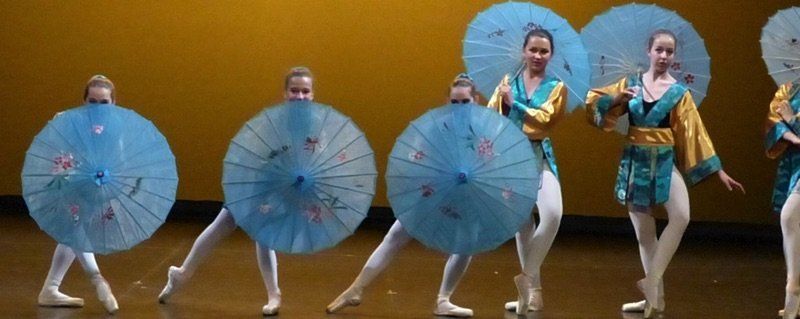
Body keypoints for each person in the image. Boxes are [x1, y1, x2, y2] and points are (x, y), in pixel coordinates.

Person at [585, 29, 744, 318]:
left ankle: (652, 281)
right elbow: (594, 107)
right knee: (645, 235)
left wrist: (717, 170)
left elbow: (694, 134)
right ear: (649, 50)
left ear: (674, 56)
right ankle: (654, 301)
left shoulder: (678, 93)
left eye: (669, 52)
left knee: (681, 215)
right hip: (635, 162)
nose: (664, 56)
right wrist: (615, 98)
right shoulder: (630, 83)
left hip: (664, 161)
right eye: (659, 49)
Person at [157, 67, 315, 316]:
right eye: (294, 90)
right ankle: (182, 274)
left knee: (261, 234)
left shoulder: (317, 125)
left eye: (305, 91)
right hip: (257, 181)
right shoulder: (273, 121)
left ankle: (273, 294)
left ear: (312, 94)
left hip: (285, 185)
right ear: (285, 93)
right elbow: (259, 156)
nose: (300, 96)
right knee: (225, 223)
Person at [325, 74, 480, 318]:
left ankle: (443, 299)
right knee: (396, 235)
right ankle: (356, 288)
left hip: (465, 196)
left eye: (465, 102)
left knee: (467, 244)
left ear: (476, 101)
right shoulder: (437, 127)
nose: (459, 107)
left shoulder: (483, 131)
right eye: (455, 102)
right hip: (434, 191)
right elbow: (420, 158)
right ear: (447, 101)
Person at [487, 29, 565, 315]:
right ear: (524, 51)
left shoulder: (557, 86)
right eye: (533, 49)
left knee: (553, 213)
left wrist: (514, 104)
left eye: (544, 51)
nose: (537, 55)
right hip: (511, 159)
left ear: (550, 55)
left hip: (539, 155)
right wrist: (503, 102)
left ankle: (527, 276)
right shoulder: (508, 82)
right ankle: (532, 296)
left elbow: (545, 120)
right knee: (523, 227)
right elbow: (492, 118)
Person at [37, 75, 120, 314]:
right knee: (74, 229)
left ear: (113, 102)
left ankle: (50, 289)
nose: (97, 106)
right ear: (84, 101)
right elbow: (54, 154)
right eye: (92, 100)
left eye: (103, 102)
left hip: (95, 186)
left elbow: (119, 160)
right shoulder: (66, 121)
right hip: (66, 184)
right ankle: (97, 280)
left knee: (72, 232)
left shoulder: (117, 128)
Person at [765, 81, 800, 319]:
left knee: (789, 216)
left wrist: (794, 120)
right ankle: (793, 289)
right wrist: (795, 137)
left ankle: (793, 288)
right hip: (796, 163)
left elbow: (788, 119)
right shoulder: (790, 90)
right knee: (790, 219)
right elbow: (773, 122)